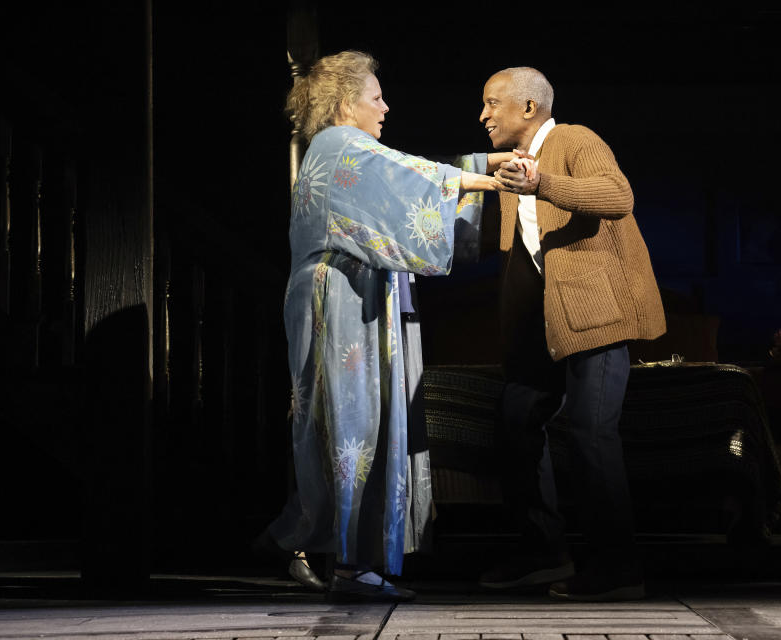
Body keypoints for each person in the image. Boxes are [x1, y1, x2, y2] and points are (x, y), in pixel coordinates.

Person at [255, 50, 510, 603]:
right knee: (353, 421)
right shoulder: (342, 145)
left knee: (351, 419)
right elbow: (405, 177)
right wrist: (485, 182)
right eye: (375, 97)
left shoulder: (343, 149)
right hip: (339, 297)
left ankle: (317, 543)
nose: (385, 107)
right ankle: (346, 559)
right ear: (347, 103)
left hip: (345, 290)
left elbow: (402, 173)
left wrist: (482, 170)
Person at [476, 66, 666, 601]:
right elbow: (510, 241)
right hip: (546, 321)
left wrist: (544, 183)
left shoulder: (574, 140)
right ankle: (544, 552)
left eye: (493, 103)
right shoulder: (513, 168)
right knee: (515, 421)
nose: (483, 115)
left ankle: (619, 568)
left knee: (590, 431)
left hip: (597, 312)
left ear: (529, 108)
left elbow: (617, 196)